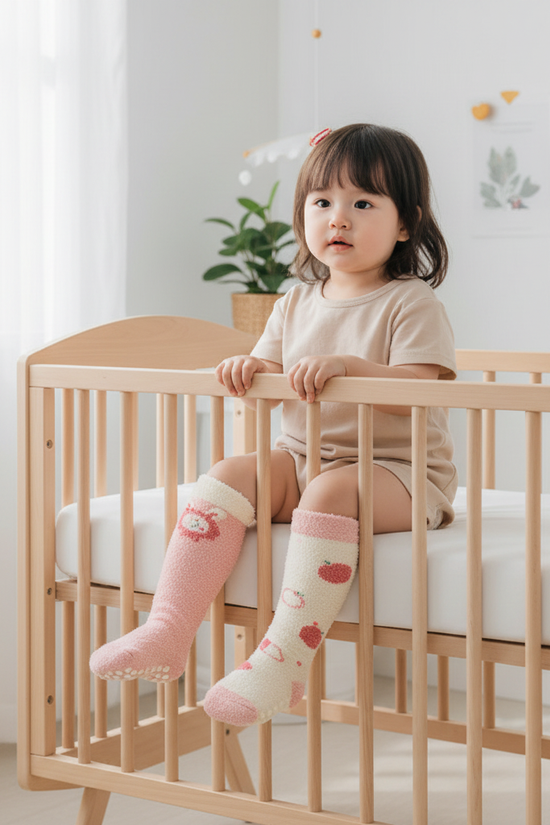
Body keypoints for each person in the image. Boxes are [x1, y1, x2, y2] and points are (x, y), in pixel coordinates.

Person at [90, 123, 456, 727]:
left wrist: (347, 366)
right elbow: (266, 367)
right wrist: (248, 367)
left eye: (363, 203)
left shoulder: (410, 302)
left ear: (406, 223)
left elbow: (416, 388)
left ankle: (282, 663)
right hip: (302, 455)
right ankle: (167, 628)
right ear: (303, 215)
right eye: (322, 203)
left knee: (332, 490)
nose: (339, 218)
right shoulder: (293, 302)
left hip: (401, 472)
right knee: (233, 471)